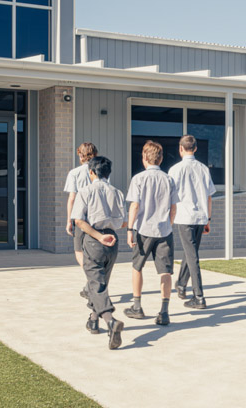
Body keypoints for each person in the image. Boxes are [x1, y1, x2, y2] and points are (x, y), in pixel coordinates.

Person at [70, 155, 128, 350]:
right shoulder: (117, 192)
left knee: (97, 285)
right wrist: (108, 234)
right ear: (108, 173)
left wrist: (97, 235)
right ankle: (93, 320)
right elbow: (124, 222)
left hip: (94, 240)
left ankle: (110, 321)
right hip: (113, 240)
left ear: (91, 172)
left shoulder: (85, 191)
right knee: (100, 284)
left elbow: (78, 220)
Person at [124, 141, 179, 326]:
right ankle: (164, 312)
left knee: (137, 267)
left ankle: (137, 306)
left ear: (144, 157)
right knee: (165, 271)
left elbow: (135, 205)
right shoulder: (169, 179)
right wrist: (168, 224)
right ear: (161, 158)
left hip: (143, 230)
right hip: (164, 230)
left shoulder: (138, 179)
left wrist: (130, 229)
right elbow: (173, 208)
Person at [169, 134, 216, 309]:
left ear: (181, 149)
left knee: (192, 256)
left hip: (184, 217)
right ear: (195, 148)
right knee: (191, 253)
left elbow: (170, 197)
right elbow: (210, 197)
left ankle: (199, 296)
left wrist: (169, 217)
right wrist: (208, 219)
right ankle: (181, 284)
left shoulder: (175, 169)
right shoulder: (204, 168)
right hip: (200, 217)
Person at [65, 143, 99, 267]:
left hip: (81, 216)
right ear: (95, 155)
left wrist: (69, 220)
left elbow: (72, 198)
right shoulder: (100, 171)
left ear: (80, 155)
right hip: (97, 214)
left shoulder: (74, 173)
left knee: (79, 249)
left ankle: (89, 273)